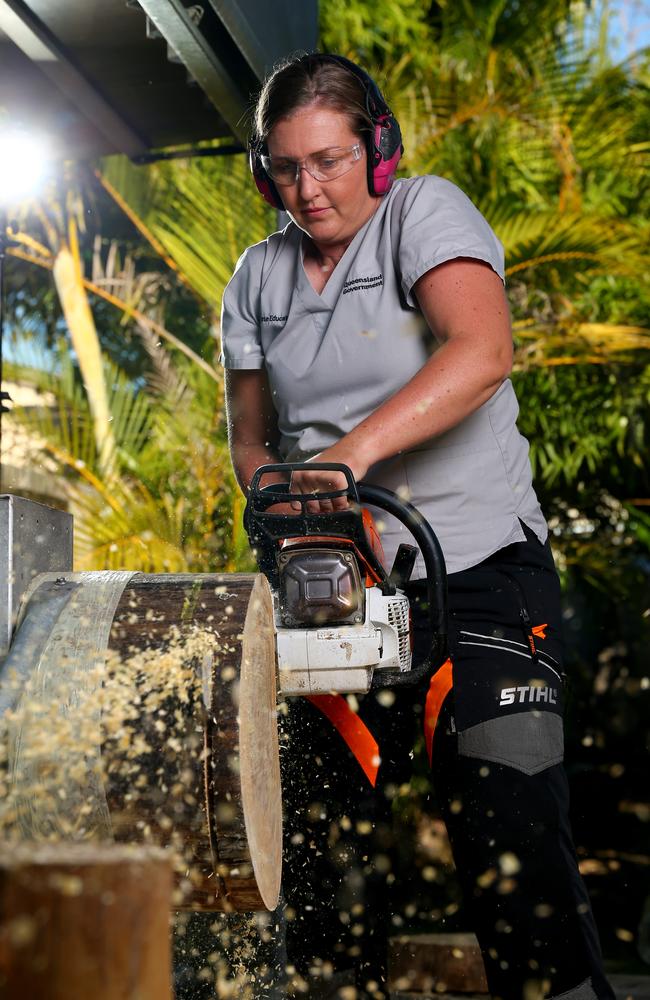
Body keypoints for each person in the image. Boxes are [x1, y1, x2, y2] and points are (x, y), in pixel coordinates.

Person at [221, 52, 615, 1000]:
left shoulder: (422, 214)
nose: (307, 190)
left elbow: (482, 351)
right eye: (285, 168)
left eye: (327, 160)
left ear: (378, 150)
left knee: (506, 818)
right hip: (338, 589)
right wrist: (294, 505)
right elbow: (247, 443)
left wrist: (347, 460)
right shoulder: (258, 274)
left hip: (475, 567)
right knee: (323, 840)